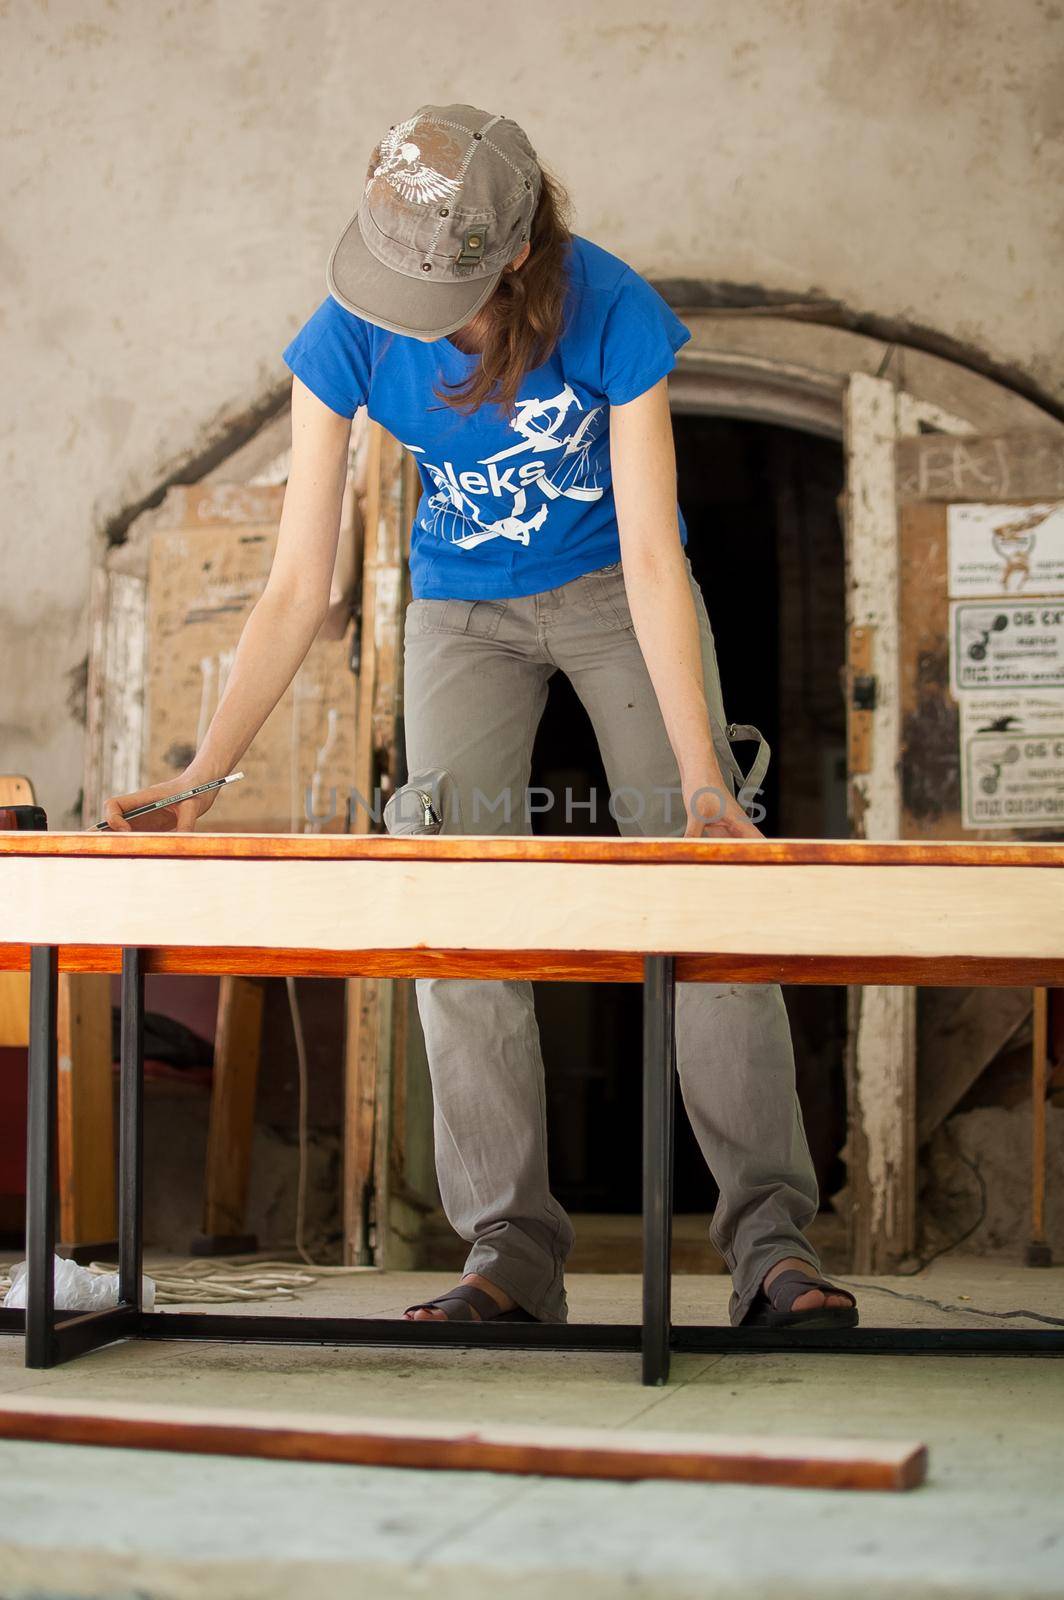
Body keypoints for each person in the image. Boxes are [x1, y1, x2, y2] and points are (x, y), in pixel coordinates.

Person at [103, 102, 857, 1332]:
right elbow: (302, 582)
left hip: (617, 590)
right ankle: (508, 1249)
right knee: (454, 895)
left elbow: (661, 561)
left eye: (439, 289)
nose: (409, 318)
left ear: (514, 255)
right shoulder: (346, 331)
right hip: (461, 606)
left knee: (709, 883)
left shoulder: (607, 309)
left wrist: (704, 776)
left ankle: (771, 1244)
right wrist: (208, 766)